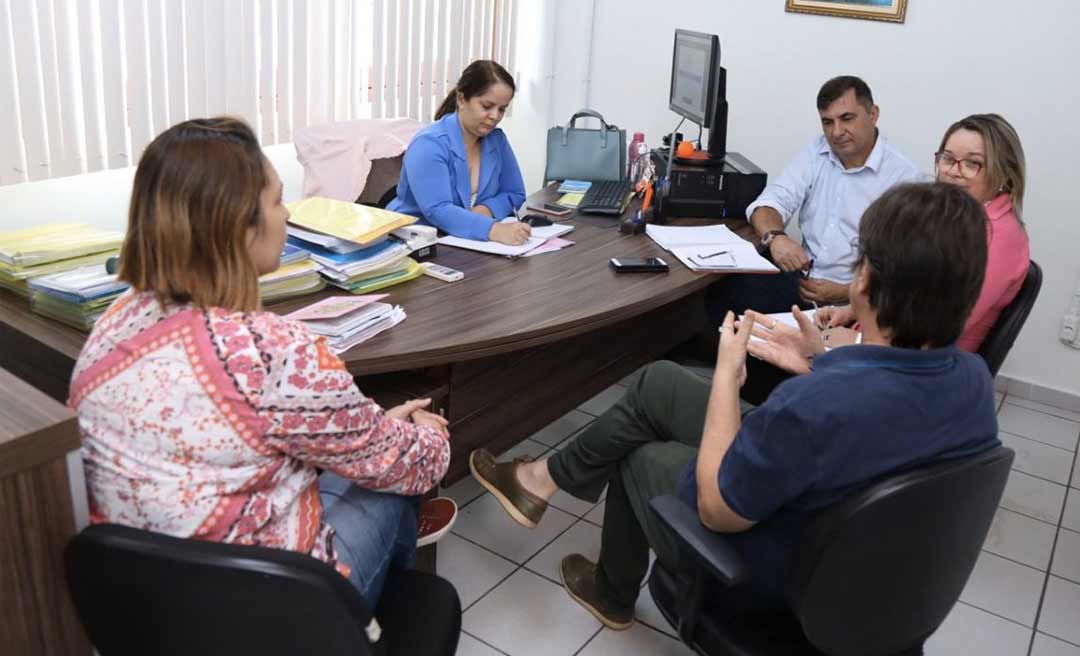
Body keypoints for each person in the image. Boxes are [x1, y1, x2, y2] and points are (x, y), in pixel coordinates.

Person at [469, 182, 999, 628]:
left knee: (641, 457)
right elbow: (868, 414)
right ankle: (541, 480)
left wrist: (727, 374)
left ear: (864, 280)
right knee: (658, 382)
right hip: (860, 560)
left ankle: (612, 591)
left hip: (769, 572)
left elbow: (716, 508)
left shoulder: (812, 406)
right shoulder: (973, 382)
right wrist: (821, 362)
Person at [70, 117, 452, 608]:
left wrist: (373, 433)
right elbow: (405, 464)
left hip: (145, 604)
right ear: (239, 226)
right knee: (397, 480)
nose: (286, 213)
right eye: (276, 200)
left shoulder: (113, 322)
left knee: (357, 456)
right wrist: (425, 437)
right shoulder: (274, 351)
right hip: (273, 611)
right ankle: (375, 619)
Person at [708, 75, 919, 323]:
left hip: (856, 302)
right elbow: (768, 203)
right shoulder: (818, 151)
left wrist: (846, 292)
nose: (837, 132)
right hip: (801, 284)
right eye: (827, 122)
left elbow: (907, 274)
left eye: (847, 118)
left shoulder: (904, 178)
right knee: (721, 292)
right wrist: (776, 237)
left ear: (873, 115)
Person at [814, 113, 1030, 354]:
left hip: (915, 362)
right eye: (948, 159)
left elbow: (938, 329)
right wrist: (853, 311)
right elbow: (908, 290)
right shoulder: (953, 217)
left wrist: (856, 341)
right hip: (879, 342)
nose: (953, 171)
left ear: (1004, 174)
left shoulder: (999, 238)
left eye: (972, 164)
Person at [388, 60, 529, 245]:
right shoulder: (429, 144)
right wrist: (493, 230)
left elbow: (515, 192)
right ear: (462, 99)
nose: (495, 116)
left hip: (465, 240)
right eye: (487, 106)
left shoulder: (497, 140)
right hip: (415, 241)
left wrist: (485, 210)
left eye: (502, 109)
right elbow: (438, 210)